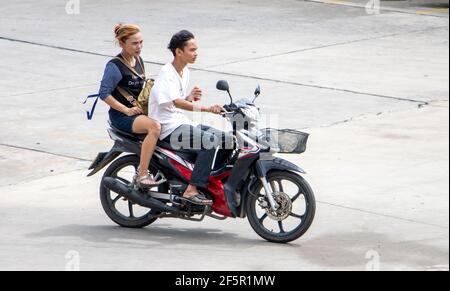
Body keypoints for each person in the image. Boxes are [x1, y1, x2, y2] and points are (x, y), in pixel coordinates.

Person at [149, 30, 229, 205]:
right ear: (179, 52)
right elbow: (176, 103)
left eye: (196, 49)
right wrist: (207, 108)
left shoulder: (184, 71)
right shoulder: (166, 74)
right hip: (168, 128)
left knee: (227, 138)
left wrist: (190, 97)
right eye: (192, 50)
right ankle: (192, 189)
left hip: (181, 121)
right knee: (209, 142)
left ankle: (212, 180)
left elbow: (175, 101)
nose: (196, 53)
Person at [98, 23, 161, 188]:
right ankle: (142, 174)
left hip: (138, 113)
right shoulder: (115, 66)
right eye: (134, 43)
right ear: (121, 43)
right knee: (154, 127)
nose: (139, 46)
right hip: (122, 116)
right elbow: (104, 94)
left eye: (141, 42)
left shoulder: (138, 60)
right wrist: (126, 109)